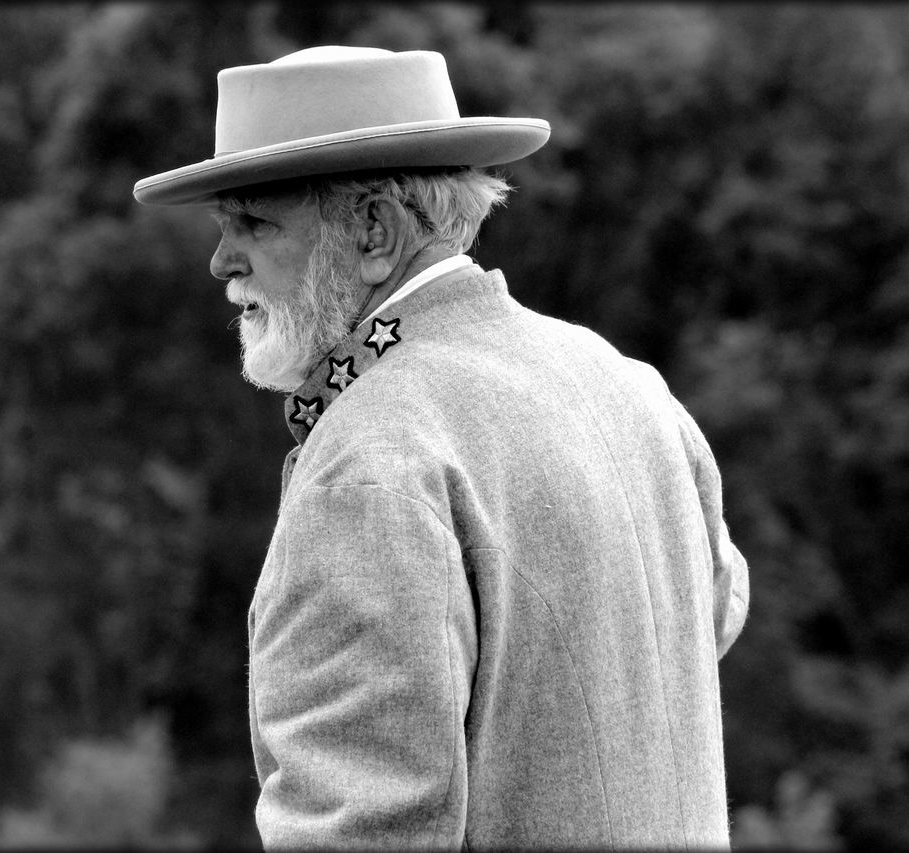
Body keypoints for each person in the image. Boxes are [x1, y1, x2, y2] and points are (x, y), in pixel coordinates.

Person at [134, 45, 749, 850]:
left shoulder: (370, 465)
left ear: (375, 232)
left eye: (251, 220)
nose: (222, 260)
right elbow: (713, 613)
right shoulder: (631, 387)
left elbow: (361, 831)